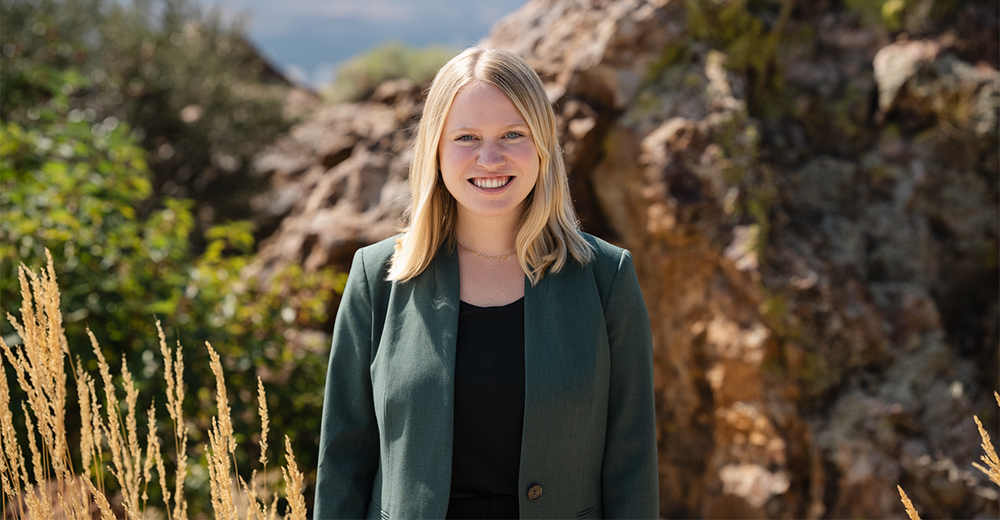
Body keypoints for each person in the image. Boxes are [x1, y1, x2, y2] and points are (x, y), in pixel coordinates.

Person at [313, 47, 658, 520]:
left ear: (542, 146)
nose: (489, 158)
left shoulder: (606, 278)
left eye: (512, 134)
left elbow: (632, 464)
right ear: (436, 149)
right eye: (467, 137)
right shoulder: (377, 277)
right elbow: (342, 463)